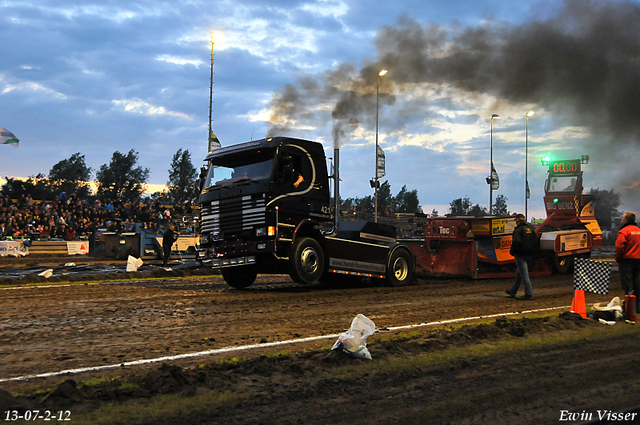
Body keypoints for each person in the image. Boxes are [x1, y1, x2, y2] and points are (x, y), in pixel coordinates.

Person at [506, 213, 538, 300]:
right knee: (519, 274)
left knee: (524, 275)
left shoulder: (518, 230)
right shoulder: (530, 229)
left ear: (517, 220)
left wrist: (512, 252)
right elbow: (535, 241)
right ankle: (513, 290)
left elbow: (516, 242)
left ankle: (528, 293)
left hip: (520, 255)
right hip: (528, 254)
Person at [615, 212, 640, 311]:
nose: (621, 219)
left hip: (627, 261)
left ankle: (629, 308)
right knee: (638, 284)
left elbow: (619, 247)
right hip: (639, 261)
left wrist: (618, 258)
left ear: (626, 220)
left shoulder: (623, 232)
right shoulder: (639, 230)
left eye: (623, 218)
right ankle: (638, 307)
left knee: (628, 285)